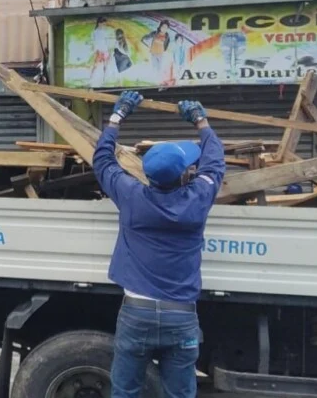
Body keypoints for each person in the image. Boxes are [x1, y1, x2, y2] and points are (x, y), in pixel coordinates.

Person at [93, 92, 226, 398]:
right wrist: (201, 122)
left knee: (125, 392)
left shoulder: (131, 196)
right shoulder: (198, 198)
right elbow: (215, 163)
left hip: (136, 314)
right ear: (184, 175)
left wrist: (117, 117)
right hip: (181, 317)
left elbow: (102, 161)